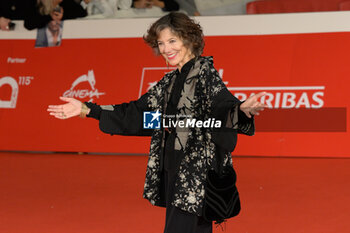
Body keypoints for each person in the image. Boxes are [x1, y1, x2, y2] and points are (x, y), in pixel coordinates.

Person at [47, 12, 266, 233]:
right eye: (161, 43)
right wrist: (87, 109)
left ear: (189, 39)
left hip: (195, 176)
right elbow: (139, 114)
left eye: (172, 41)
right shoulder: (169, 82)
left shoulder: (205, 75)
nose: (165, 49)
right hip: (174, 168)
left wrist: (241, 110)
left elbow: (221, 107)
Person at [24, 0, 89, 30]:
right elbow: (29, 24)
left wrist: (63, 15)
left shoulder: (66, 3)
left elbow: (82, 13)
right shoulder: (35, 3)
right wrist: (50, 16)